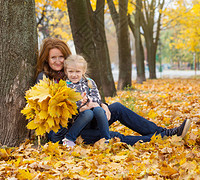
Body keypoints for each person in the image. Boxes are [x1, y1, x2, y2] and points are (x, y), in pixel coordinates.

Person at [36, 38, 191, 148]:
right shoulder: (45, 79)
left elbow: (91, 93)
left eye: (61, 57)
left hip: (88, 118)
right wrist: (80, 109)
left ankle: (165, 132)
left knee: (116, 107)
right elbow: (51, 114)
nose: (57, 61)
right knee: (114, 136)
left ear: (66, 57)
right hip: (68, 132)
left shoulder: (72, 73)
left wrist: (101, 105)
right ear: (47, 59)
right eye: (53, 57)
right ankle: (164, 138)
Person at [62, 55, 110, 147]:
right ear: (66, 71)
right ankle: (69, 138)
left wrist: (88, 101)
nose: (74, 74)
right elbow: (67, 104)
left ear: (83, 71)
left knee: (99, 110)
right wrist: (81, 104)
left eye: (77, 71)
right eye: (71, 71)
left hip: (93, 115)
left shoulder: (89, 82)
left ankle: (106, 139)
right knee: (88, 113)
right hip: (78, 118)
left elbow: (97, 98)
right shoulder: (65, 85)